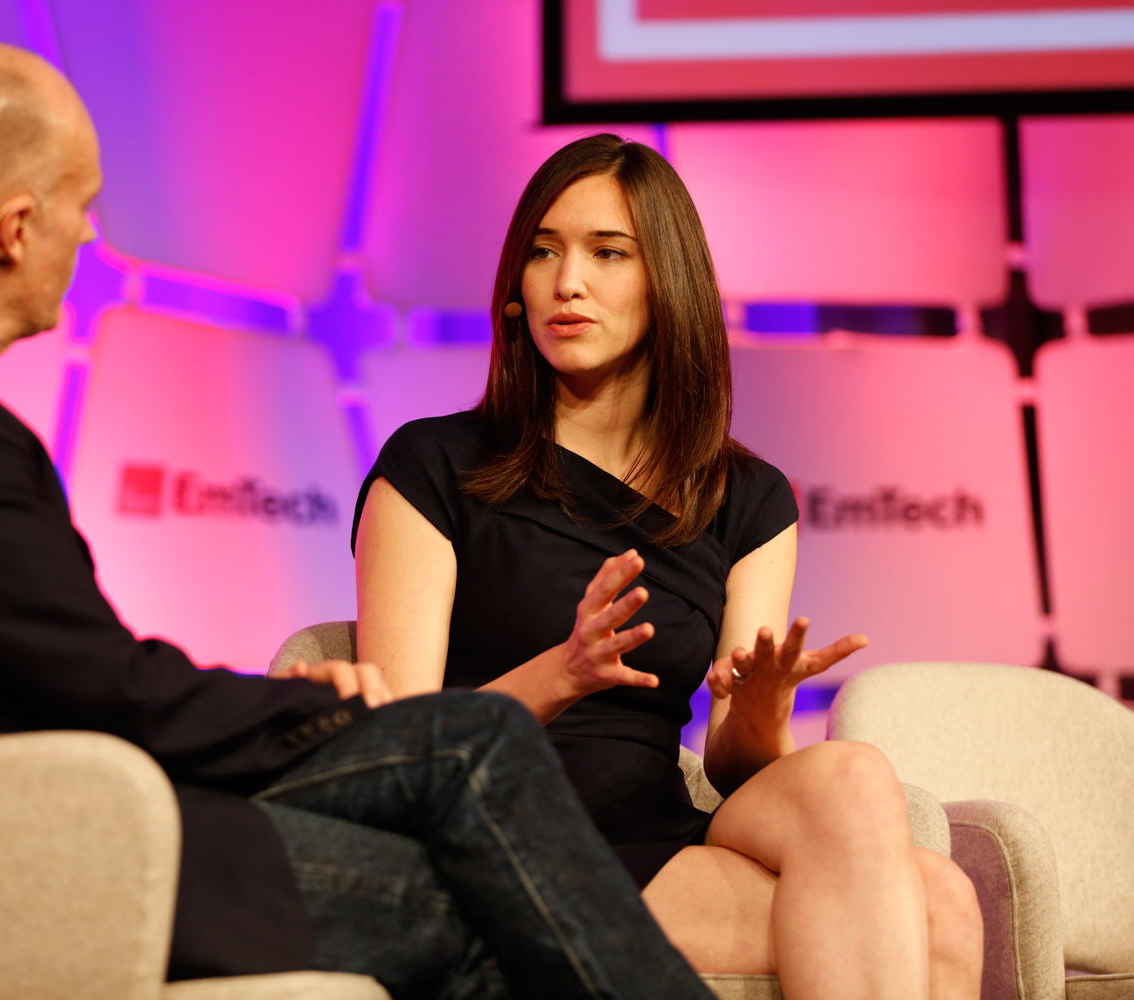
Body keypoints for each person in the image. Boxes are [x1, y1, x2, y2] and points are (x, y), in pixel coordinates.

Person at [0, 46, 721, 1000]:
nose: (87, 237)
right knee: (475, 817)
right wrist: (314, 709)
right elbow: (109, 693)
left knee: (469, 754)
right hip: (5, 856)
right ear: (16, 227)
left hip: (5, 813)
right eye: (82, 207)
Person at [353, 134, 985, 1000]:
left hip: (653, 829)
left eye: (608, 253)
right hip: (501, 836)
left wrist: (758, 709)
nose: (566, 281)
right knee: (935, 910)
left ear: (667, 284)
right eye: (543, 251)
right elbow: (396, 752)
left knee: (866, 791)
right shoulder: (434, 465)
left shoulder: (748, 499)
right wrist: (561, 674)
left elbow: (734, 768)